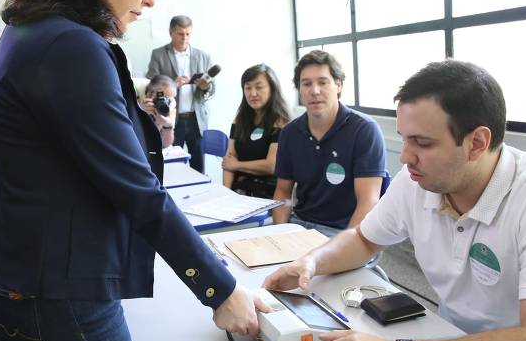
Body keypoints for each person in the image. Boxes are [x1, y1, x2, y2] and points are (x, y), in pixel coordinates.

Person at [0, 0, 267, 341]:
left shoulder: (29, 31)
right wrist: (219, 289)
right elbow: (136, 189)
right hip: (64, 295)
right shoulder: (70, 45)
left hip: (31, 281)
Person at [264, 60, 526, 341]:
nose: (404, 157)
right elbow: (364, 239)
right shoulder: (419, 181)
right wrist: (312, 261)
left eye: (423, 143)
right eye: (404, 139)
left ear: (476, 143)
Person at [272, 50, 386, 235]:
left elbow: (368, 202)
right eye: (306, 84)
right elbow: (283, 192)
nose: (314, 91)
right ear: (299, 90)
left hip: (344, 231)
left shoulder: (364, 130)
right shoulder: (289, 133)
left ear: (339, 85)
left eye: (323, 82)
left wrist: (346, 247)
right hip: (299, 225)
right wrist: (280, 233)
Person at [147, 15, 214, 173]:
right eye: (180, 34)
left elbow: (213, 89)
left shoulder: (203, 57)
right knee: (171, 165)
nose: (184, 38)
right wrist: (171, 84)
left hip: (196, 119)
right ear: (171, 33)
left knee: (199, 167)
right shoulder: (158, 54)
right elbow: (150, 84)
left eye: (188, 34)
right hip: (170, 118)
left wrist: (206, 87)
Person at [222, 64, 290, 199]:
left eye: (259, 87)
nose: (252, 93)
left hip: (267, 193)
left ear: (272, 89)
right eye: (247, 88)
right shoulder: (240, 119)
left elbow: (271, 166)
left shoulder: (281, 122)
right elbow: (228, 161)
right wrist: (226, 194)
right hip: (239, 191)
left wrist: (237, 165)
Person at [138, 74, 176, 148]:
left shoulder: (170, 107)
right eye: (162, 97)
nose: (164, 103)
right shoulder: (135, 96)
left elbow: (166, 144)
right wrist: (138, 111)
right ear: (150, 94)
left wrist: (168, 126)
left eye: (168, 100)